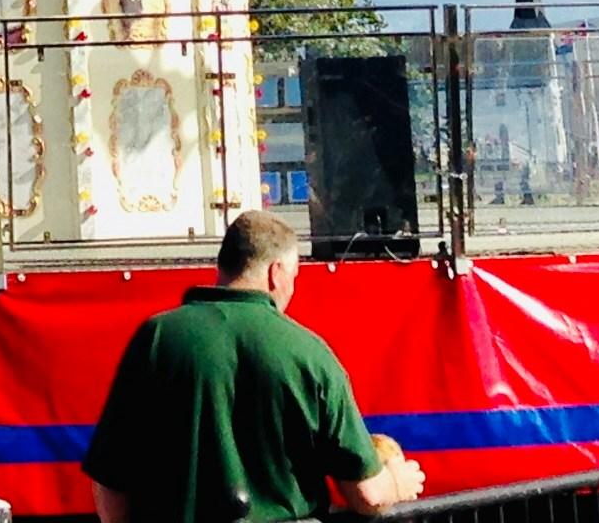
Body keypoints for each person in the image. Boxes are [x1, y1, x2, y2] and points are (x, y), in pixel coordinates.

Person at [81, 209, 425, 523]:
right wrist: (397, 481)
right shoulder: (310, 353)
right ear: (276, 273)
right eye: (294, 276)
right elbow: (367, 493)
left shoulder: (157, 338)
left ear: (224, 265)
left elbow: (110, 477)